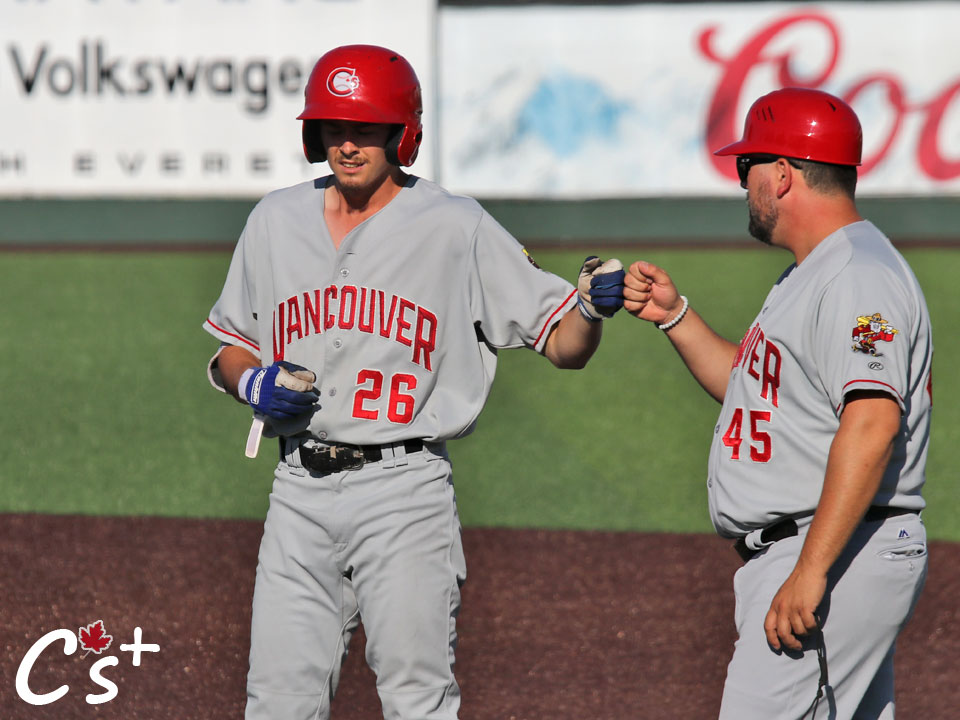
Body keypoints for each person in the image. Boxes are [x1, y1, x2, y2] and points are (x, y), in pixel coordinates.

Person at [202, 44, 625, 720]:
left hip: (403, 494)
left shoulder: (455, 225)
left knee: (416, 702)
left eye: (366, 128)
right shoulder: (274, 221)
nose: (348, 144)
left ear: (403, 132)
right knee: (276, 703)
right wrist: (252, 385)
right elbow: (232, 348)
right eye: (334, 128)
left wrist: (589, 310)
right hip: (297, 493)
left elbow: (562, 344)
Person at [624, 87, 932, 718]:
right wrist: (674, 317)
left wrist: (812, 569)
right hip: (829, 544)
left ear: (785, 174)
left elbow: (873, 423)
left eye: (749, 167)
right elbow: (755, 385)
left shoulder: (856, 275)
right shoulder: (816, 270)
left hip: (833, 547)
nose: (746, 184)